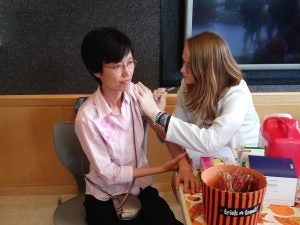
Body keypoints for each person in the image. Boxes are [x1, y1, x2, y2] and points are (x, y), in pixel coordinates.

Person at [75, 27, 184, 225]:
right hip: (104, 196)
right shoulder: (88, 118)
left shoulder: (136, 93)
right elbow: (108, 174)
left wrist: (156, 112)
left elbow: (162, 135)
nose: (127, 73)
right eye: (117, 66)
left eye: (130, 62)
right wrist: (161, 168)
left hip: (140, 189)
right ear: (97, 71)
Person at [135, 31, 260, 194]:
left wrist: (157, 115)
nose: (182, 69)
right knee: (180, 180)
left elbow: (212, 141)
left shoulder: (237, 94)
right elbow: (172, 134)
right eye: (183, 61)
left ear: (206, 68)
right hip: (207, 157)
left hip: (240, 165)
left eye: (189, 65)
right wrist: (158, 113)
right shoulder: (187, 87)